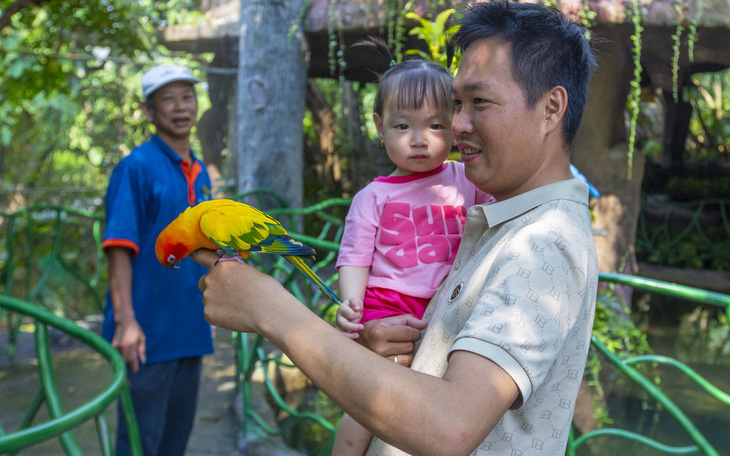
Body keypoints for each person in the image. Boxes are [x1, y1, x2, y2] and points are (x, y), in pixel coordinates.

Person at [191, 1, 598, 454]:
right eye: (458, 103)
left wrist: (271, 311)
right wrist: (380, 342)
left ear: (551, 108)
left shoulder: (542, 244)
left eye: (479, 102)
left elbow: (452, 427)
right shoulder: (504, 216)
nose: (458, 125)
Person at [333, 43, 494, 454]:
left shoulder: (465, 179)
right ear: (379, 124)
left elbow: (500, 210)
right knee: (369, 403)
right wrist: (352, 305)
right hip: (388, 305)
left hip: (446, 307)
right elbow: (354, 256)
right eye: (403, 126)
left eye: (436, 126)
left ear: (456, 125)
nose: (420, 140)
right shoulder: (373, 197)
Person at [102, 63, 214, 455]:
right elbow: (119, 246)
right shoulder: (136, 167)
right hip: (148, 330)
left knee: (175, 441)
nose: (180, 106)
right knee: (139, 442)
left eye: (187, 96)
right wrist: (126, 321)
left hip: (189, 326)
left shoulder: (199, 171)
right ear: (149, 111)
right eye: (167, 99)